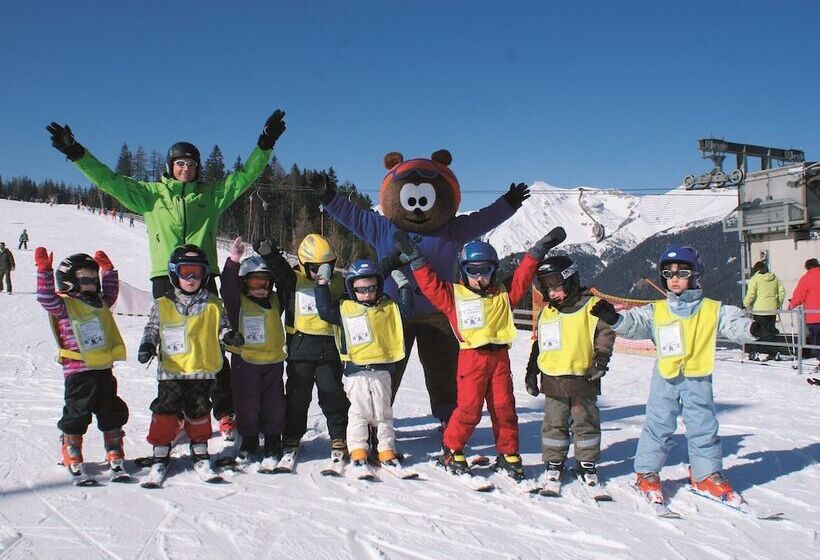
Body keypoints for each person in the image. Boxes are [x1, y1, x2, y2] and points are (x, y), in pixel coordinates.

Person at [47, 110, 287, 440]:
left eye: (191, 164)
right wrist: (77, 153)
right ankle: (171, 414)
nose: (185, 169)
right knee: (170, 346)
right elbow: (109, 180)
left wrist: (265, 144)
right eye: (180, 164)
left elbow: (245, 176)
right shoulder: (150, 196)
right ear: (170, 167)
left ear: (198, 167)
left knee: (214, 344)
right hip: (165, 277)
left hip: (202, 276)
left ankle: (225, 412)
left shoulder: (210, 196)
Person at [591, 244, 771, 506]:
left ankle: (705, 473)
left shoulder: (712, 309)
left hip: (697, 377)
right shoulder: (658, 310)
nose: (674, 278)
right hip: (666, 377)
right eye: (668, 273)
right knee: (658, 424)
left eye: (682, 272)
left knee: (703, 426)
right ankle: (647, 472)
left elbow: (734, 324)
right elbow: (635, 324)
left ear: (696, 275)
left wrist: (754, 329)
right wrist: (615, 319)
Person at [396, 227, 566, 479]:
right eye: (472, 271)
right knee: (469, 409)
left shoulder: (503, 295)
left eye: (484, 271)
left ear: (494, 270)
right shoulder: (454, 296)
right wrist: (415, 258)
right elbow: (430, 284)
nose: (479, 278)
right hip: (471, 359)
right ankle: (452, 447)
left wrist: (538, 250)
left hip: (499, 360)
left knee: (504, 407)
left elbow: (521, 276)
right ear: (463, 271)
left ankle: (508, 453)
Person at [137, 245, 244, 482]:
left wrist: (229, 335)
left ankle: (199, 448)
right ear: (175, 273)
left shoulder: (213, 304)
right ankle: (161, 450)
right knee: (165, 410)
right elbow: (153, 328)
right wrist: (147, 344)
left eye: (197, 272)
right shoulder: (163, 303)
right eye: (186, 272)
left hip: (199, 370)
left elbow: (221, 326)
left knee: (199, 410)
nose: (192, 278)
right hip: (172, 371)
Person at [254, 235, 350, 467]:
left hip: (329, 350)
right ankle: (292, 436)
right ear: (304, 264)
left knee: (332, 394)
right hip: (299, 350)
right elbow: (279, 269)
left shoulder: (338, 281)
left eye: (327, 266)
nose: (322, 272)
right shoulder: (293, 280)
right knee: (297, 397)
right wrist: (268, 252)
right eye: (316, 268)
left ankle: (339, 435)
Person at [35, 247, 129, 481]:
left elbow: (111, 292)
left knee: (111, 410)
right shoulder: (65, 305)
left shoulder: (100, 302)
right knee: (77, 412)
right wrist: (44, 271)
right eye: (84, 279)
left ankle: (114, 444)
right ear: (68, 282)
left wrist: (108, 271)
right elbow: (45, 298)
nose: (90, 284)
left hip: (103, 370)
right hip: (78, 373)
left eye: (93, 279)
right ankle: (71, 446)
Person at [524, 255, 615, 491]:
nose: (552, 294)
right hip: (553, 378)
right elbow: (540, 344)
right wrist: (531, 371)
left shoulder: (591, 306)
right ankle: (554, 459)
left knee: (585, 421)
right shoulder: (549, 313)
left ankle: (587, 460)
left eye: (556, 287)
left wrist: (601, 359)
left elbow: (605, 332)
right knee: (554, 423)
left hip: (583, 376)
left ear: (570, 280)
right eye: (547, 289)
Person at [315, 260, 412, 472]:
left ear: (378, 286)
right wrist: (322, 284)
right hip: (356, 372)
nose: (366, 294)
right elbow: (324, 310)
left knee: (383, 413)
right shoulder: (345, 309)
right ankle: (358, 449)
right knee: (358, 413)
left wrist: (405, 288)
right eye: (360, 290)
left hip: (382, 371)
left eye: (371, 288)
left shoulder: (388, 308)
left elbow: (405, 313)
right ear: (352, 289)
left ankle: (386, 449)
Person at [221, 237, 287, 467]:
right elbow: (227, 288)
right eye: (255, 284)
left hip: (273, 363)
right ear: (243, 284)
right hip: (245, 361)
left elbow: (288, 285)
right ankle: (249, 439)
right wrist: (233, 262)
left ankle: (272, 440)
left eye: (266, 284)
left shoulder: (276, 301)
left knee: (275, 405)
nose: (261, 289)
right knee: (246, 404)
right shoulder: (237, 302)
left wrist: (273, 257)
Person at [743, 261, 785, 361]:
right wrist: (777, 304)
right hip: (772, 310)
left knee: (757, 331)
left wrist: (745, 304)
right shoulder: (774, 278)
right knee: (770, 331)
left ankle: (755, 352)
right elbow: (782, 292)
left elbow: (751, 294)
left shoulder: (755, 279)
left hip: (759, 310)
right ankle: (773, 353)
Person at [788, 258, 820, 368]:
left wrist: (791, 305)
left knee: (817, 340)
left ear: (807, 267)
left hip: (813, 316)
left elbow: (799, 295)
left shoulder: (806, 278)